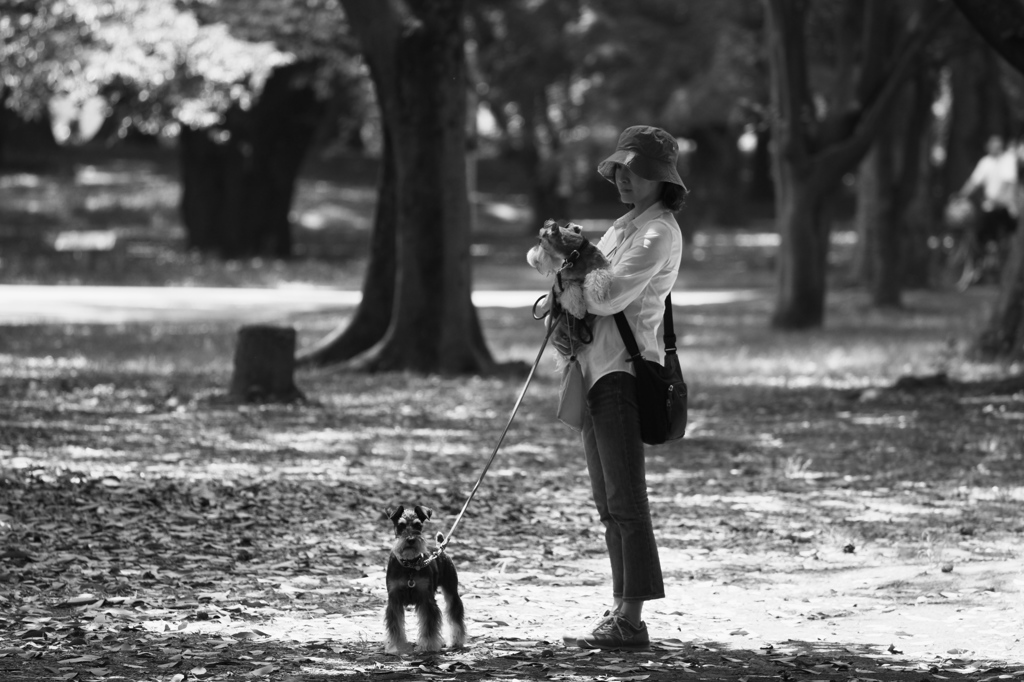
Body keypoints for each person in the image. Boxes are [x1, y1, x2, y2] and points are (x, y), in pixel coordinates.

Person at [554, 125, 687, 650]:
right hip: (590, 370)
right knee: (608, 505)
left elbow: (604, 294)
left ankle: (632, 620)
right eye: (620, 168)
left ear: (661, 178)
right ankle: (621, 611)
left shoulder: (659, 232)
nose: (624, 177)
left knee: (627, 502)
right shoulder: (620, 228)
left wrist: (575, 266)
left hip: (623, 376)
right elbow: (564, 277)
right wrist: (566, 262)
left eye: (636, 170)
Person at [956, 134, 1019, 263]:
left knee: (1003, 234)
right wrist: (961, 195)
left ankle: (1001, 262)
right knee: (981, 231)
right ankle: (983, 262)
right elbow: (973, 182)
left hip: (1006, 206)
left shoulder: (1008, 159)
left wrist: (1000, 199)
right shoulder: (985, 162)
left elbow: (1008, 183)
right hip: (989, 205)